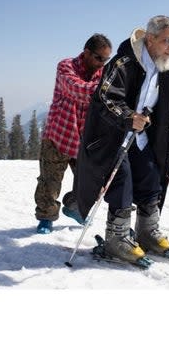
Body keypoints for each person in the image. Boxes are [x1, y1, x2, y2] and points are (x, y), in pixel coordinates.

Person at [75, 15, 169, 265]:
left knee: (151, 176)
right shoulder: (123, 63)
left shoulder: (167, 70)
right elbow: (105, 98)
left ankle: (146, 232)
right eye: (167, 41)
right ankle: (117, 238)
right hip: (111, 136)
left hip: (141, 137)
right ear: (151, 39)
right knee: (121, 180)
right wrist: (128, 116)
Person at [34, 33, 112, 234]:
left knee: (94, 182)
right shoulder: (66, 66)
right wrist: (106, 89)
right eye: (99, 58)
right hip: (59, 134)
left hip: (85, 139)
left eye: (106, 60)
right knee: (49, 182)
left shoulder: (102, 73)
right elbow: (76, 89)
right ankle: (46, 218)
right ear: (86, 53)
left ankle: (74, 206)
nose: (102, 63)